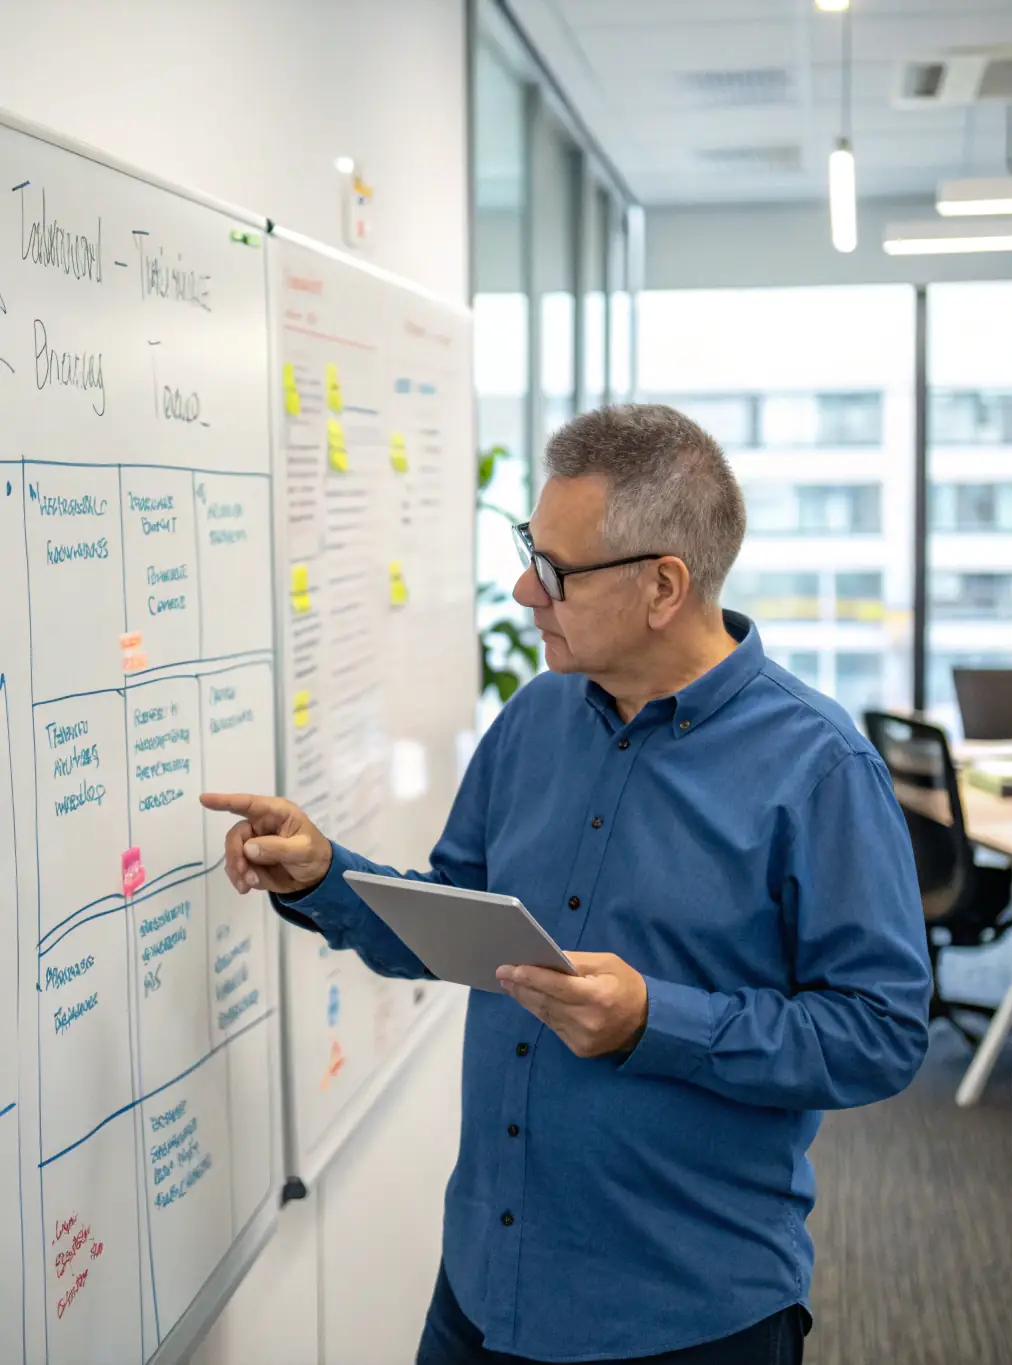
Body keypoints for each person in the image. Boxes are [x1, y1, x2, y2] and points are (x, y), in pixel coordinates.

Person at [202, 403, 931, 1365]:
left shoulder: (821, 769)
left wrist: (651, 1021)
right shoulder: (536, 718)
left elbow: (881, 1031)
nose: (520, 589)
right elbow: (454, 919)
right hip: (482, 1291)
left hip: (684, 1319)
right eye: (525, 550)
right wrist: (327, 873)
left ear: (664, 585)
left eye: (553, 570)